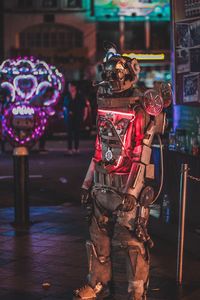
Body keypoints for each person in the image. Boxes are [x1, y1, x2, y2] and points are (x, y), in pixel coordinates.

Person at [73, 43, 172, 300]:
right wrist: (87, 184)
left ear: (129, 73)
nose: (111, 78)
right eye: (108, 73)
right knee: (97, 239)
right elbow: (99, 146)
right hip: (102, 182)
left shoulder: (139, 109)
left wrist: (132, 191)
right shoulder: (105, 102)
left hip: (127, 185)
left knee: (132, 241)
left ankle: (137, 291)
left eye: (116, 73)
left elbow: (142, 153)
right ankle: (98, 283)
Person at [63, 82, 86, 155]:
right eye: (68, 87)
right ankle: (69, 148)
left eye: (70, 87)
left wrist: (84, 116)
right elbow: (64, 106)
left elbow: (84, 106)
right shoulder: (67, 96)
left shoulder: (80, 96)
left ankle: (76, 148)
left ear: (74, 87)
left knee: (77, 133)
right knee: (69, 133)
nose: (69, 88)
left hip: (78, 116)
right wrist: (66, 114)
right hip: (69, 117)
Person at [30, 86, 55, 153]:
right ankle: (38, 147)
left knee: (43, 132)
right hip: (33, 117)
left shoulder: (42, 97)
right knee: (40, 132)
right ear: (48, 92)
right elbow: (38, 108)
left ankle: (41, 147)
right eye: (51, 93)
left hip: (36, 117)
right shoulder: (39, 97)